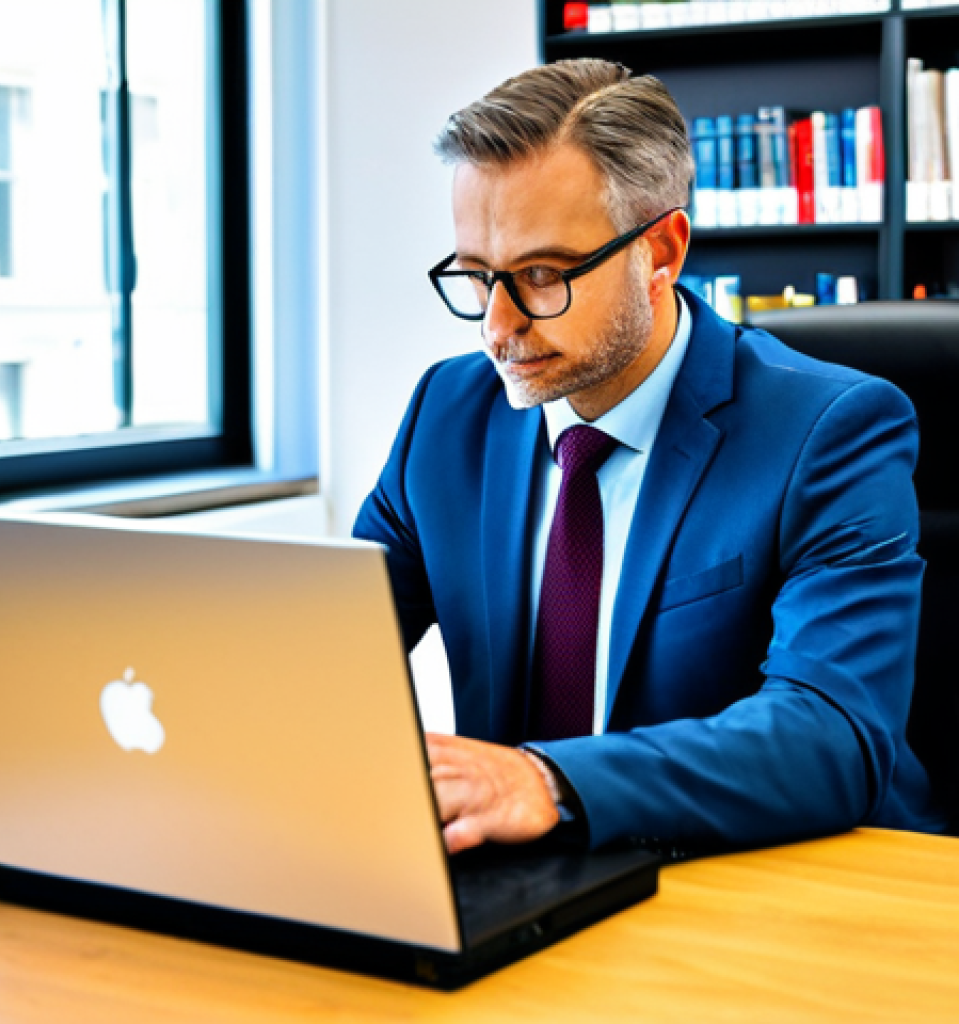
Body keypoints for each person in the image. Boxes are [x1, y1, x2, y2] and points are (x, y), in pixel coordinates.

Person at [353, 59, 947, 857]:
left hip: (780, 885)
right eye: (476, 276)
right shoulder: (448, 415)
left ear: (661, 251)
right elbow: (332, 647)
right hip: (532, 891)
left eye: (540, 275)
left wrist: (547, 782)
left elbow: (832, 733)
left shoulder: (832, 430)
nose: (497, 325)